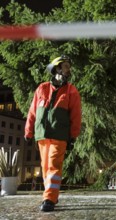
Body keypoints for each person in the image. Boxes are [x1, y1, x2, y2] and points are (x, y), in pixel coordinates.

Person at [24, 55, 82, 212]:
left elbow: (76, 115)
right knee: (45, 167)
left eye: (69, 67)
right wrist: (28, 132)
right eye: (65, 66)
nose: (68, 69)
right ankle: (51, 196)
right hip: (42, 135)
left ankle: (49, 198)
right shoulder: (42, 88)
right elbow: (33, 111)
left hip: (59, 135)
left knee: (54, 165)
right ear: (57, 68)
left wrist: (73, 136)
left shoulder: (71, 91)